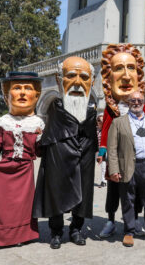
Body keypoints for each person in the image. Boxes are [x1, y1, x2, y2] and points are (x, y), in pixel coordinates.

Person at [0, 71, 44, 247]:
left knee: (22, 206)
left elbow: (41, 152)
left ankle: (20, 235)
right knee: (4, 205)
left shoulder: (38, 124)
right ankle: (1, 235)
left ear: (36, 95)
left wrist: (43, 139)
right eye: (17, 88)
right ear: (6, 96)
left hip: (25, 170)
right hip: (5, 168)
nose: (22, 93)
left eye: (27, 88)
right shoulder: (4, 122)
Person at [33, 57, 98, 250]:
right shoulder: (55, 110)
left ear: (91, 82)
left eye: (84, 77)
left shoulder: (92, 113)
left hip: (85, 153)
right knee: (56, 190)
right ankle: (56, 232)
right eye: (71, 76)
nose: (78, 82)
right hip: (58, 153)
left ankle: (76, 229)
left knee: (84, 189)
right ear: (60, 79)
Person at [97, 44, 145, 238]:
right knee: (113, 190)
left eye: (131, 68)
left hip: (136, 158)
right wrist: (102, 152)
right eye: (119, 69)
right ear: (109, 78)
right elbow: (105, 132)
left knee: (136, 191)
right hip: (116, 158)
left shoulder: (141, 108)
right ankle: (110, 220)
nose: (126, 76)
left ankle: (133, 221)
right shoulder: (111, 109)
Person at [107, 91, 145, 247]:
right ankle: (129, 232)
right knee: (128, 200)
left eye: (139, 100)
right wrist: (113, 169)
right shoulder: (118, 122)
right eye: (132, 100)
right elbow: (112, 148)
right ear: (128, 102)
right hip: (128, 165)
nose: (136, 102)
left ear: (144, 102)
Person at [96, 114, 107, 188]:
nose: (101, 122)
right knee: (102, 166)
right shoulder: (96, 130)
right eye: (99, 120)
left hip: (105, 149)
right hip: (98, 150)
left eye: (103, 120)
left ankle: (104, 181)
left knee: (104, 166)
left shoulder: (106, 130)